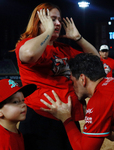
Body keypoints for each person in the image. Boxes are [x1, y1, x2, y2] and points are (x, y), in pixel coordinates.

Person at [14, 3, 99, 150]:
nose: (58, 23)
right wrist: (48, 31)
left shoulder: (63, 48)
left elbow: (96, 59)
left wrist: (78, 38)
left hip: (67, 117)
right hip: (41, 118)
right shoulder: (26, 44)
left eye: (58, 20)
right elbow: (28, 55)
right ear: (39, 21)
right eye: (53, 19)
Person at [0, 79, 36, 150]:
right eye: (15, 102)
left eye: (23, 100)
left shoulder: (11, 131)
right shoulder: (3, 143)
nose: (23, 105)